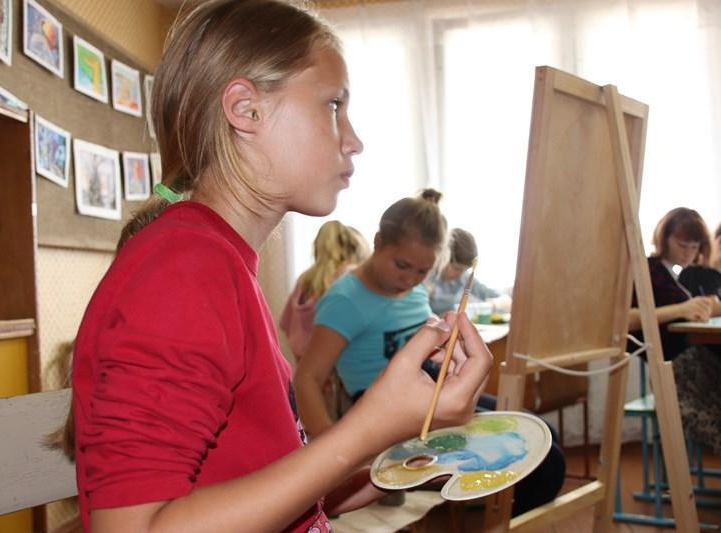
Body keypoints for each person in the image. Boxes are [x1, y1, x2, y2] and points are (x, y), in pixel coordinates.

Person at [69, 2, 493, 532]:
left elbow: (258, 485)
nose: (354, 140)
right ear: (245, 110)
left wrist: (396, 441)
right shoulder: (184, 270)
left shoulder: (217, 261)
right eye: (333, 104)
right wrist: (366, 429)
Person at [294, 190, 564, 516]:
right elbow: (306, 378)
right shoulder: (345, 301)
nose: (410, 279)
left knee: (541, 433)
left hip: (432, 387)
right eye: (402, 265)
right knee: (546, 466)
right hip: (387, 406)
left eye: (422, 271)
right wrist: (334, 455)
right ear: (378, 242)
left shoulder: (414, 289)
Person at [628, 207, 721, 454]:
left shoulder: (674, 275)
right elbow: (627, 320)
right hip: (676, 366)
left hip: (688, 359)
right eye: (682, 245)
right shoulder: (648, 270)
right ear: (664, 238)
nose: (688, 252)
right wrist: (681, 309)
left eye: (694, 246)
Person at [279, 220, 369, 363]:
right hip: (337, 364)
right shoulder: (349, 276)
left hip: (304, 362)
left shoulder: (304, 279)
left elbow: (285, 324)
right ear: (355, 247)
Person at [428, 227, 510, 316]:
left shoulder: (464, 277)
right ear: (443, 257)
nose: (461, 274)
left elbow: (502, 299)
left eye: (465, 269)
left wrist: (494, 305)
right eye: (457, 269)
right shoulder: (426, 278)